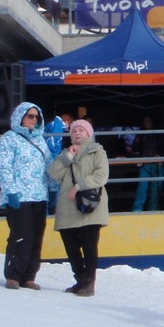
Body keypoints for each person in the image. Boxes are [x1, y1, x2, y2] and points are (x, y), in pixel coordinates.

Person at [0, 102, 53, 290]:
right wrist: (11, 191)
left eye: (37, 117)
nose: (34, 120)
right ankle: (14, 275)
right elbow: (3, 166)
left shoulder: (40, 140)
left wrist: (55, 189)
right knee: (21, 236)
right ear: (20, 117)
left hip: (39, 196)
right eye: (30, 116)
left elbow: (49, 167)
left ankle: (29, 276)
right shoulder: (9, 139)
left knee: (36, 237)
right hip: (19, 196)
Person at [47, 119, 110, 297]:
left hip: (90, 204)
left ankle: (89, 282)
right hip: (68, 206)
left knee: (89, 244)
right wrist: (68, 156)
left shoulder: (97, 151)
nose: (77, 133)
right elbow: (54, 174)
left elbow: (101, 175)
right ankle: (80, 279)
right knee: (70, 244)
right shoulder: (66, 153)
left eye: (81, 130)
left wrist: (78, 186)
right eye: (74, 131)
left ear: (88, 133)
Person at [131, 115, 164, 212]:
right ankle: (137, 210)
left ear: (152, 122)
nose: (146, 124)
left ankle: (153, 209)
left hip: (157, 163)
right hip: (145, 164)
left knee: (156, 188)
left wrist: (161, 156)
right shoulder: (141, 134)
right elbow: (134, 149)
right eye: (145, 122)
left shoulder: (158, 133)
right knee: (142, 187)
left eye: (148, 121)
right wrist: (136, 143)